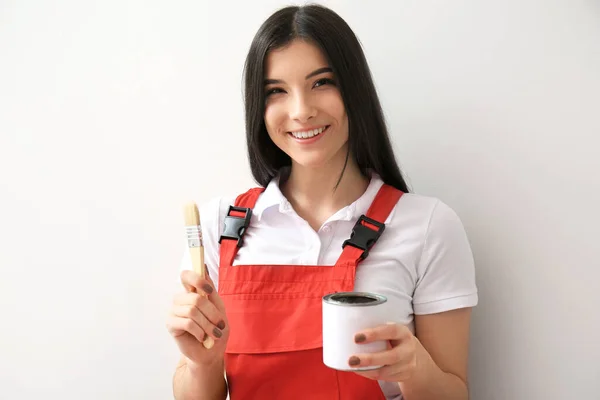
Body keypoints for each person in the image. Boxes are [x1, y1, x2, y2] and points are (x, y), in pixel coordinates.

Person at [166, 4, 478, 400]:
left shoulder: (430, 225)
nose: (301, 111)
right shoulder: (216, 225)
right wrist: (202, 363)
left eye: (321, 82)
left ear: (354, 89)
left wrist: (414, 368)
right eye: (276, 91)